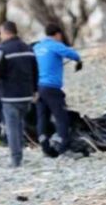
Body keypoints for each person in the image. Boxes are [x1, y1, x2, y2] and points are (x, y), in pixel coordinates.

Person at [0, 21, 39, 167]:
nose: (0, 36)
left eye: (0, 33)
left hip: (10, 95)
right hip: (27, 95)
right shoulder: (27, 48)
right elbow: (35, 70)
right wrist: (35, 90)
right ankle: (20, 153)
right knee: (20, 125)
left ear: (5, 32)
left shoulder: (3, 50)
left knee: (12, 127)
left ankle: (16, 159)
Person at [33, 23, 83, 155]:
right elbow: (74, 55)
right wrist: (79, 61)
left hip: (39, 87)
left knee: (42, 117)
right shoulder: (55, 45)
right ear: (58, 34)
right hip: (52, 88)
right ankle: (64, 148)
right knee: (62, 117)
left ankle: (45, 147)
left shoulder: (38, 46)